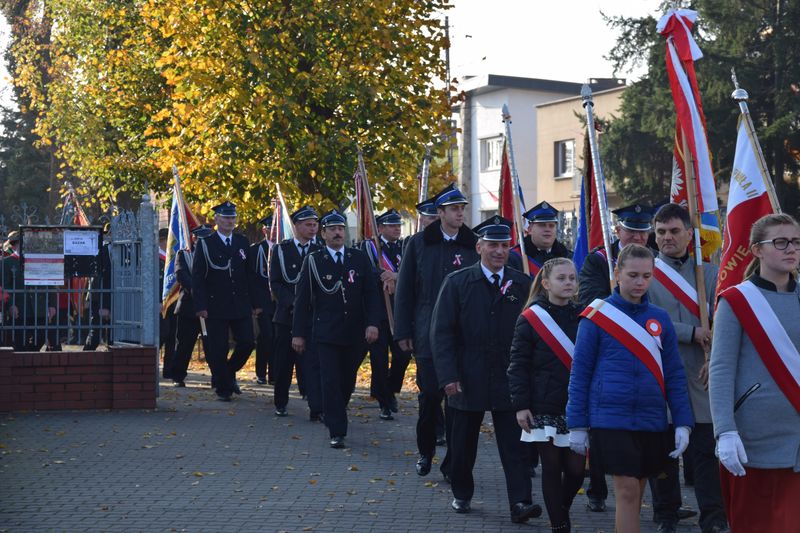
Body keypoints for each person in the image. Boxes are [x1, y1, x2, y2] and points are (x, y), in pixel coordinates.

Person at [567, 244, 694, 533]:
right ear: (617, 274)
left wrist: (683, 423)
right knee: (625, 492)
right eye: (633, 275)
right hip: (610, 418)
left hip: (651, 420)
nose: (639, 282)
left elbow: (674, 374)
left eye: (646, 276)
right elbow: (580, 372)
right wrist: (577, 423)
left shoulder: (660, 318)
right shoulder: (596, 316)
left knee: (636, 492)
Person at [431, 215, 541, 523]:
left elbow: (533, 332)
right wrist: (449, 377)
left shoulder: (522, 284)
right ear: (479, 247)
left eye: (504, 246)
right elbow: (442, 334)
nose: (499, 251)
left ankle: (520, 502)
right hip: (468, 375)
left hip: (509, 376)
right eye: (492, 245)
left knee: (516, 445)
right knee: (463, 444)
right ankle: (462, 492)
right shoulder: (457, 282)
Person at [709, 213, 800, 533]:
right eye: (780, 242)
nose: (791, 248)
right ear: (757, 250)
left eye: (796, 242)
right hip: (754, 440)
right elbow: (720, 370)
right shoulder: (736, 301)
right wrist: (725, 431)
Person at [648, 203, 728, 533]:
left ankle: (713, 518)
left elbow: (727, 318)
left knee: (707, 455)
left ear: (689, 234)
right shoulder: (645, 273)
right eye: (661, 232)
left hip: (703, 373)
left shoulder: (710, 273)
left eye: (674, 231)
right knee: (664, 452)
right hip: (662, 375)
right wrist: (690, 332)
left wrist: (717, 356)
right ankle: (666, 514)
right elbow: (646, 319)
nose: (667, 238)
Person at [394, 183, 479, 479]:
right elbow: (404, 291)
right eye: (454, 209)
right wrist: (402, 331)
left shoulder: (474, 244)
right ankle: (425, 451)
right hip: (427, 334)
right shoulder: (419, 244)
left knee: (458, 402)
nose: (460, 213)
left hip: (463, 336)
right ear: (440, 212)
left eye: (462, 208)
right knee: (430, 397)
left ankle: (453, 462)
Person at [576, 202, 654, 512]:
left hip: (647, 348)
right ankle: (597, 490)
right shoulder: (599, 261)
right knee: (602, 424)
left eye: (642, 232)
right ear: (618, 230)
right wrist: (618, 298)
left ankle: (662, 503)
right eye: (631, 231)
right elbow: (588, 300)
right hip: (609, 346)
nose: (637, 237)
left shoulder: (654, 261)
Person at [292, 209, 381, 449]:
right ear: (323, 234)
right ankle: (337, 429)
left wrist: (373, 323)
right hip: (326, 332)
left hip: (354, 332)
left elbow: (371, 294)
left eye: (341, 228)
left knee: (347, 380)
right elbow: (302, 299)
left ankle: (337, 409)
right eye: (332, 229)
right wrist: (298, 333)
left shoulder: (358, 258)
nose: (338, 233)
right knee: (330, 379)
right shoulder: (314, 260)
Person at [508, 257, 584, 531]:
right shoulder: (531, 318)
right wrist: (521, 405)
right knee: (551, 467)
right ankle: (559, 524)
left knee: (576, 470)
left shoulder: (584, 315)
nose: (568, 283)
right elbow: (518, 364)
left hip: (576, 405)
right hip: (543, 405)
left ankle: (559, 506)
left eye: (572, 278)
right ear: (546, 283)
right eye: (562, 278)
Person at [192, 201, 262, 401]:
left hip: (239, 303)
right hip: (215, 304)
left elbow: (249, 274)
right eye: (225, 217)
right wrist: (200, 306)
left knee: (247, 342)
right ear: (217, 220)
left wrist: (256, 304)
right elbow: (198, 277)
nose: (230, 221)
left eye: (232, 217)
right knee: (218, 347)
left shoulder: (241, 241)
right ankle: (224, 389)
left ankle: (228, 373)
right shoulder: (206, 243)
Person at [269, 205, 323, 418]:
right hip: (286, 316)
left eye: (315, 225)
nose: (313, 229)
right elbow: (276, 283)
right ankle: (280, 402)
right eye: (308, 225)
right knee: (283, 362)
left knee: (311, 363)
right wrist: (294, 303)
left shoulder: (319, 249)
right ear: (297, 226)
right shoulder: (281, 250)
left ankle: (315, 404)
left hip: (313, 316)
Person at [358, 208, 410, 420]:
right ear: (380, 228)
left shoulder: (406, 246)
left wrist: (395, 276)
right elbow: (364, 268)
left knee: (403, 355)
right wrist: (382, 274)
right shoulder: (369, 247)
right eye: (391, 226)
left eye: (398, 225)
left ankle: (389, 389)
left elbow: (411, 270)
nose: (396, 229)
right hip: (377, 310)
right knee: (379, 359)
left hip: (400, 310)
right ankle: (384, 402)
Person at [166, 224, 212, 387]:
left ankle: (218, 377)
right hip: (189, 307)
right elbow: (181, 274)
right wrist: (196, 289)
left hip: (210, 306)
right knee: (185, 344)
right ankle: (178, 375)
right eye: (201, 239)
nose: (204, 242)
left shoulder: (213, 254)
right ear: (193, 239)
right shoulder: (183, 254)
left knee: (213, 344)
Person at [508, 201, 572, 277]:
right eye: (542, 225)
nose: (547, 229)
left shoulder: (568, 256)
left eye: (551, 226)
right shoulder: (515, 257)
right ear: (530, 229)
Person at [250, 214, 277, 386]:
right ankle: (261, 372)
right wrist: (255, 305)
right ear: (264, 230)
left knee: (278, 338)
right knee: (266, 337)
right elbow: (250, 279)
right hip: (263, 302)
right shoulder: (255, 250)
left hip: (280, 302)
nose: (274, 231)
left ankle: (274, 374)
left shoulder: (284, 248)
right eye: (270, 228)